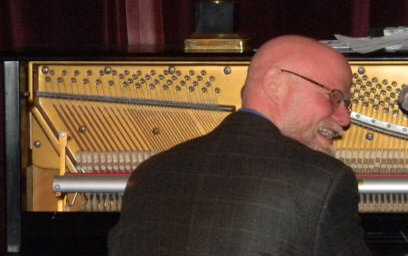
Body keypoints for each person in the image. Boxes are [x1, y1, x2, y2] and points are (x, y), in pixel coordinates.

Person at [107, 35, 370, 255]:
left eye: (347, 104)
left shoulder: (149, 173)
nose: (344, 119)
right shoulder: (323, 181)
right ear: (275, 84)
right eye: (335, 97)